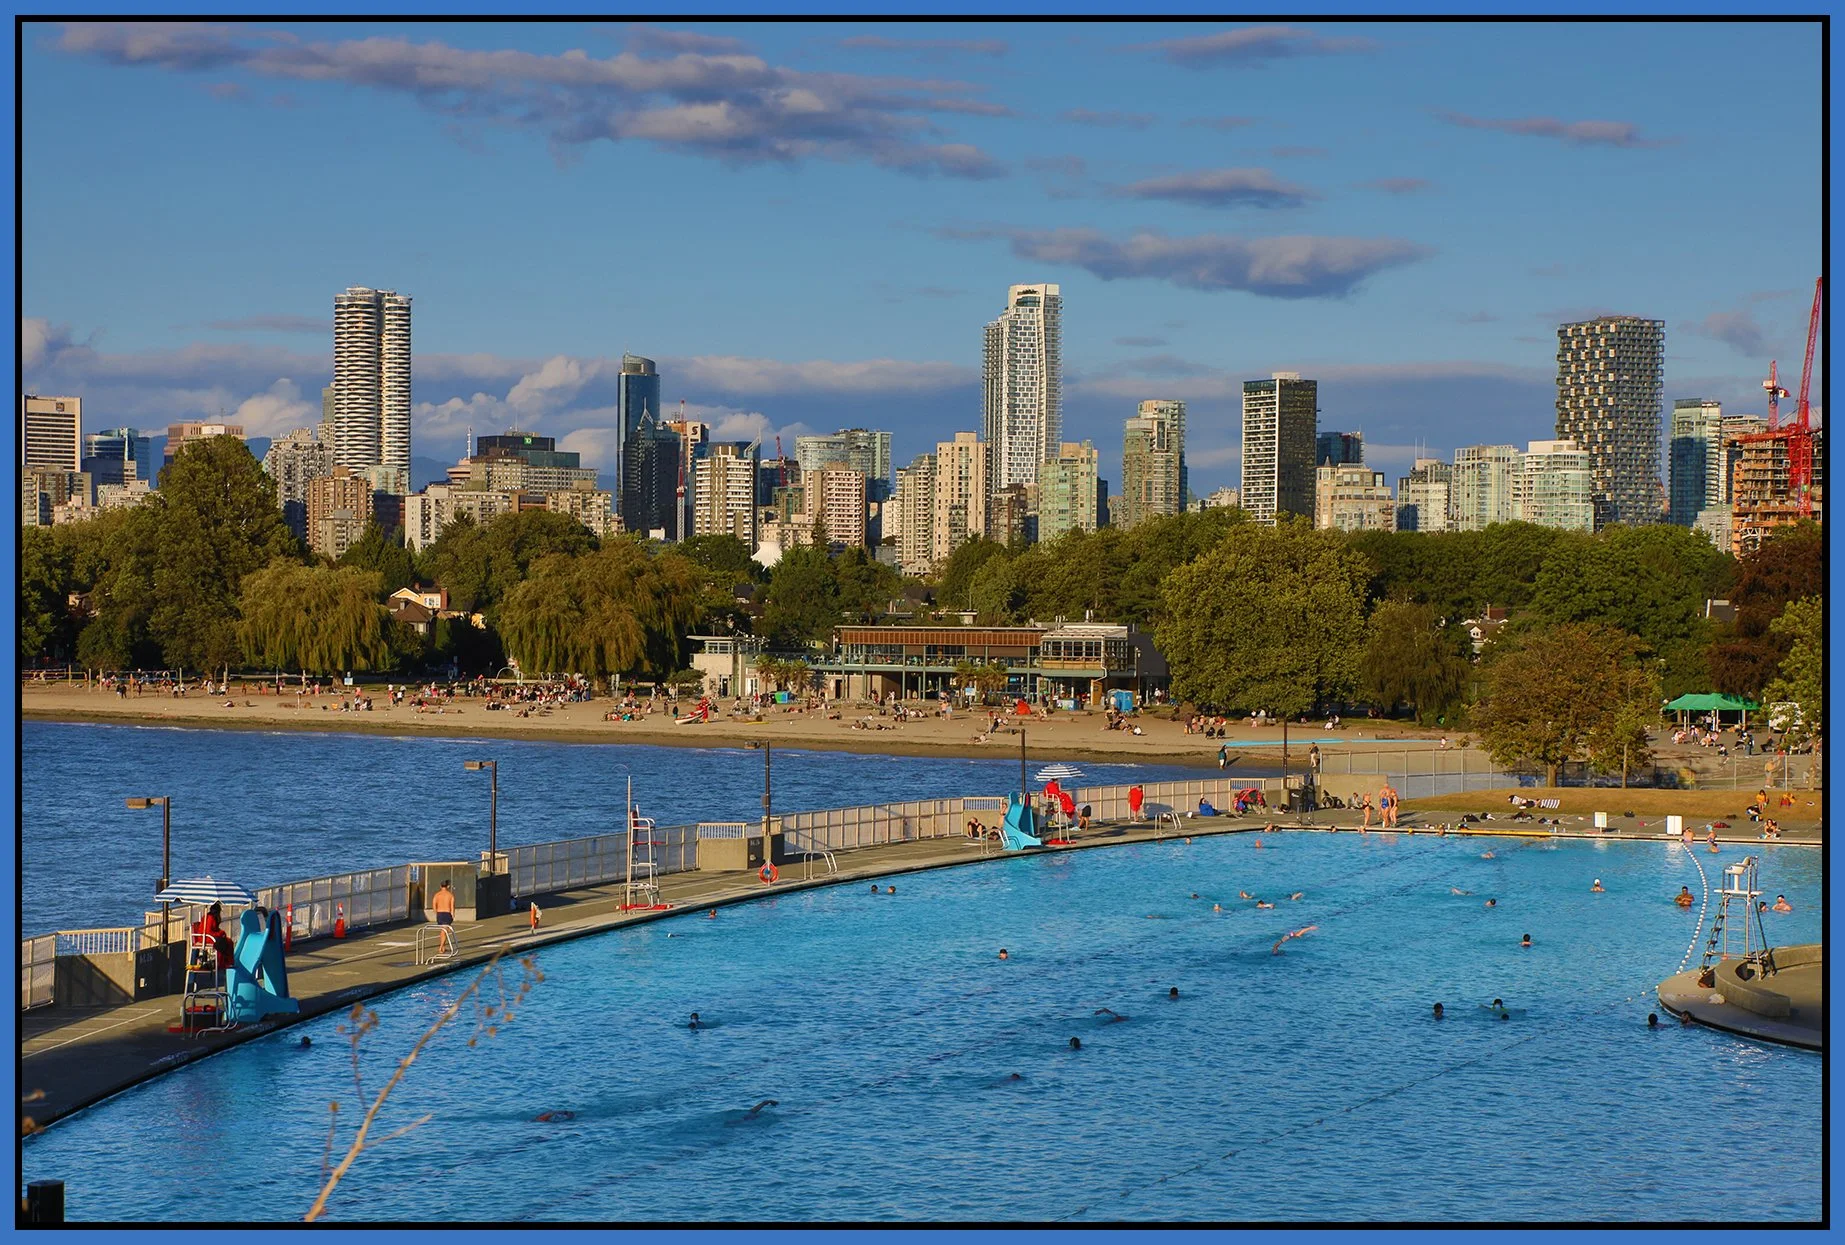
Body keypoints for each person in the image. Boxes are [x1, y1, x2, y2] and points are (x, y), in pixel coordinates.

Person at [432, 880, 456, 953]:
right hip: (447, 914)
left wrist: (436, 913)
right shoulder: (450, 895)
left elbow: (434, 905)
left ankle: (443, 946)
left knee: (443, 930)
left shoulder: (437, 895)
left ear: (440, 886)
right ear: (448, 886)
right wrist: (452, 915)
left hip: (440, 914)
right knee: (444, 931)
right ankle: (441, 947)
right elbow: (452, 907)